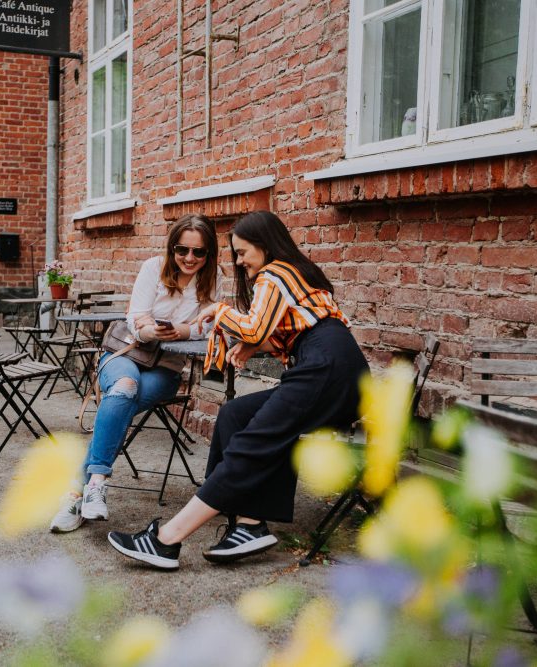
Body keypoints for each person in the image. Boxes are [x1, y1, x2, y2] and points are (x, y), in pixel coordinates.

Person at [107, 210, 369, 569]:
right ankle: (250, 524)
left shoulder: (275, 273)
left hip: (328, 370)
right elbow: (283, 327)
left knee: (255, 439)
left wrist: (220, 311)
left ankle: (166, 540)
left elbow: (256, 327)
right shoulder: (290, 273)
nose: (240, 260)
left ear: (265, 246)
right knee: (235, 415)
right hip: (329, 368)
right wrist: (253, 345)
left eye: (243, 252)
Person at [50, 213, 219, 533]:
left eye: (199, 252)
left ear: (209, 254)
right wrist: (154, 331)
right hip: (123, 354)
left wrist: (179, 331)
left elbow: (208, 326)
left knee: (119, 400)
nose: (190, 258)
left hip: (166, 369)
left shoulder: (213, 278)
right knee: (124, 387)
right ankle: (97, 482)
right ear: (172, 248)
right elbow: (135, 320)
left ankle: (77, 494)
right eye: (182, 250)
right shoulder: (154, 268)